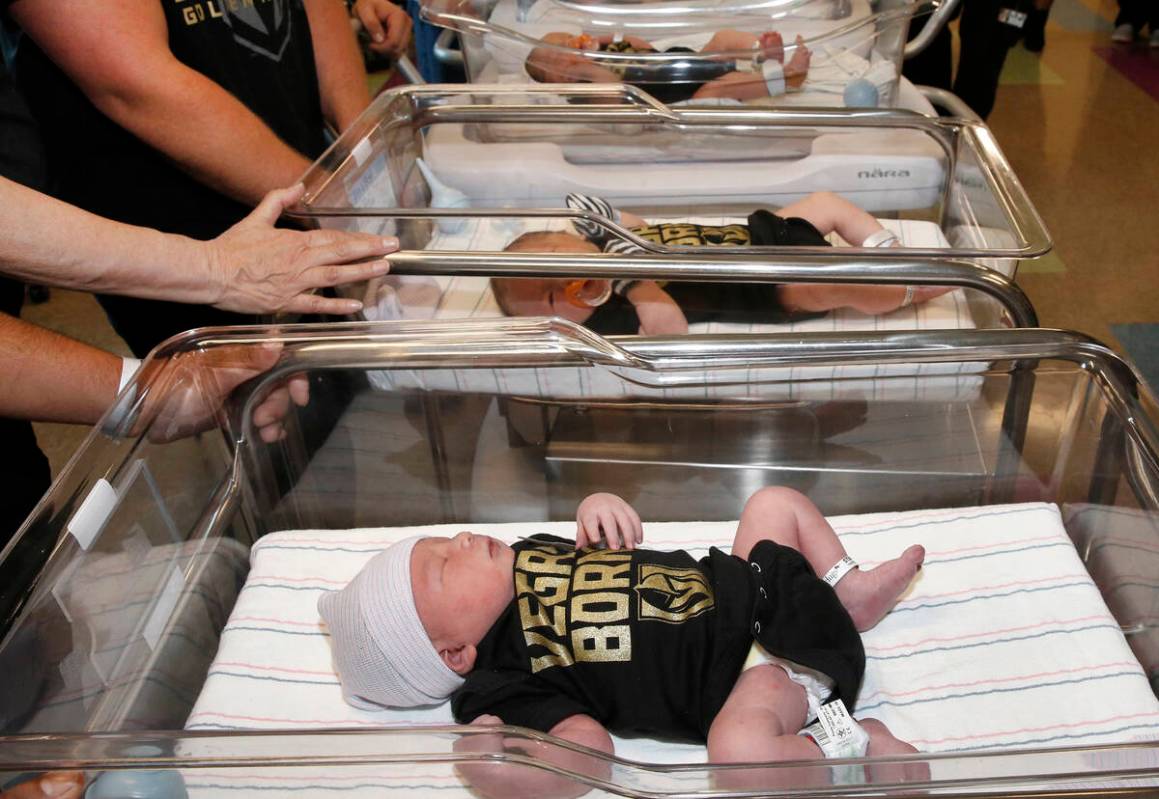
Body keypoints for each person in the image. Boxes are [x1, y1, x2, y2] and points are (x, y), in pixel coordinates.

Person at [317, 486, 925, 789]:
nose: (463, 541)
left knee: (773, 501)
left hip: (757, 586)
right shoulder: (500, 680)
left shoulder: (527, 554)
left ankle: (847, 591)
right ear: (455, 652)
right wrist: (501, 770)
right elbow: (590, 751)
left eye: (443, 541)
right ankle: (854, 750)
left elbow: (608, 549)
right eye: (446, 567)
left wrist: (597, 503)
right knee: (736, 757)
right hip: (752, 674)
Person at [5, 0, 372, 356]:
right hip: (174, 200)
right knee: (257, 382)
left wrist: (368, 158)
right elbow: (134, 82)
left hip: (296, 151)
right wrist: (338, 200)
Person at [492, 192, 952, 336]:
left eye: (555, 259)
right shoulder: (615, 314)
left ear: (568, 238)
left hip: (755, 236)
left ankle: (884, 248)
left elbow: (640, 220)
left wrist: (607, 226)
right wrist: (634, 282)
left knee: (825, 203)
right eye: (554, 296)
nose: (565, 281)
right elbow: (670, 328)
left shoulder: (615, 242)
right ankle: (906, 288)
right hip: (763, 284)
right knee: (831, 280)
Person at [526, 30, 812, 105]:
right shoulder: (587, 87)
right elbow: (618, 94)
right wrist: (583, 70)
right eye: (555, 59)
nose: (567, 48)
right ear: (555, 80)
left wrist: (607, 39)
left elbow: (641, 44)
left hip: (676, 60)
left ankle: (762, 56)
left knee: (723, 38)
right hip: (674, 90)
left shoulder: (607, 49)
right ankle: (786, 79)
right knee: (720, 87)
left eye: (566, 40)